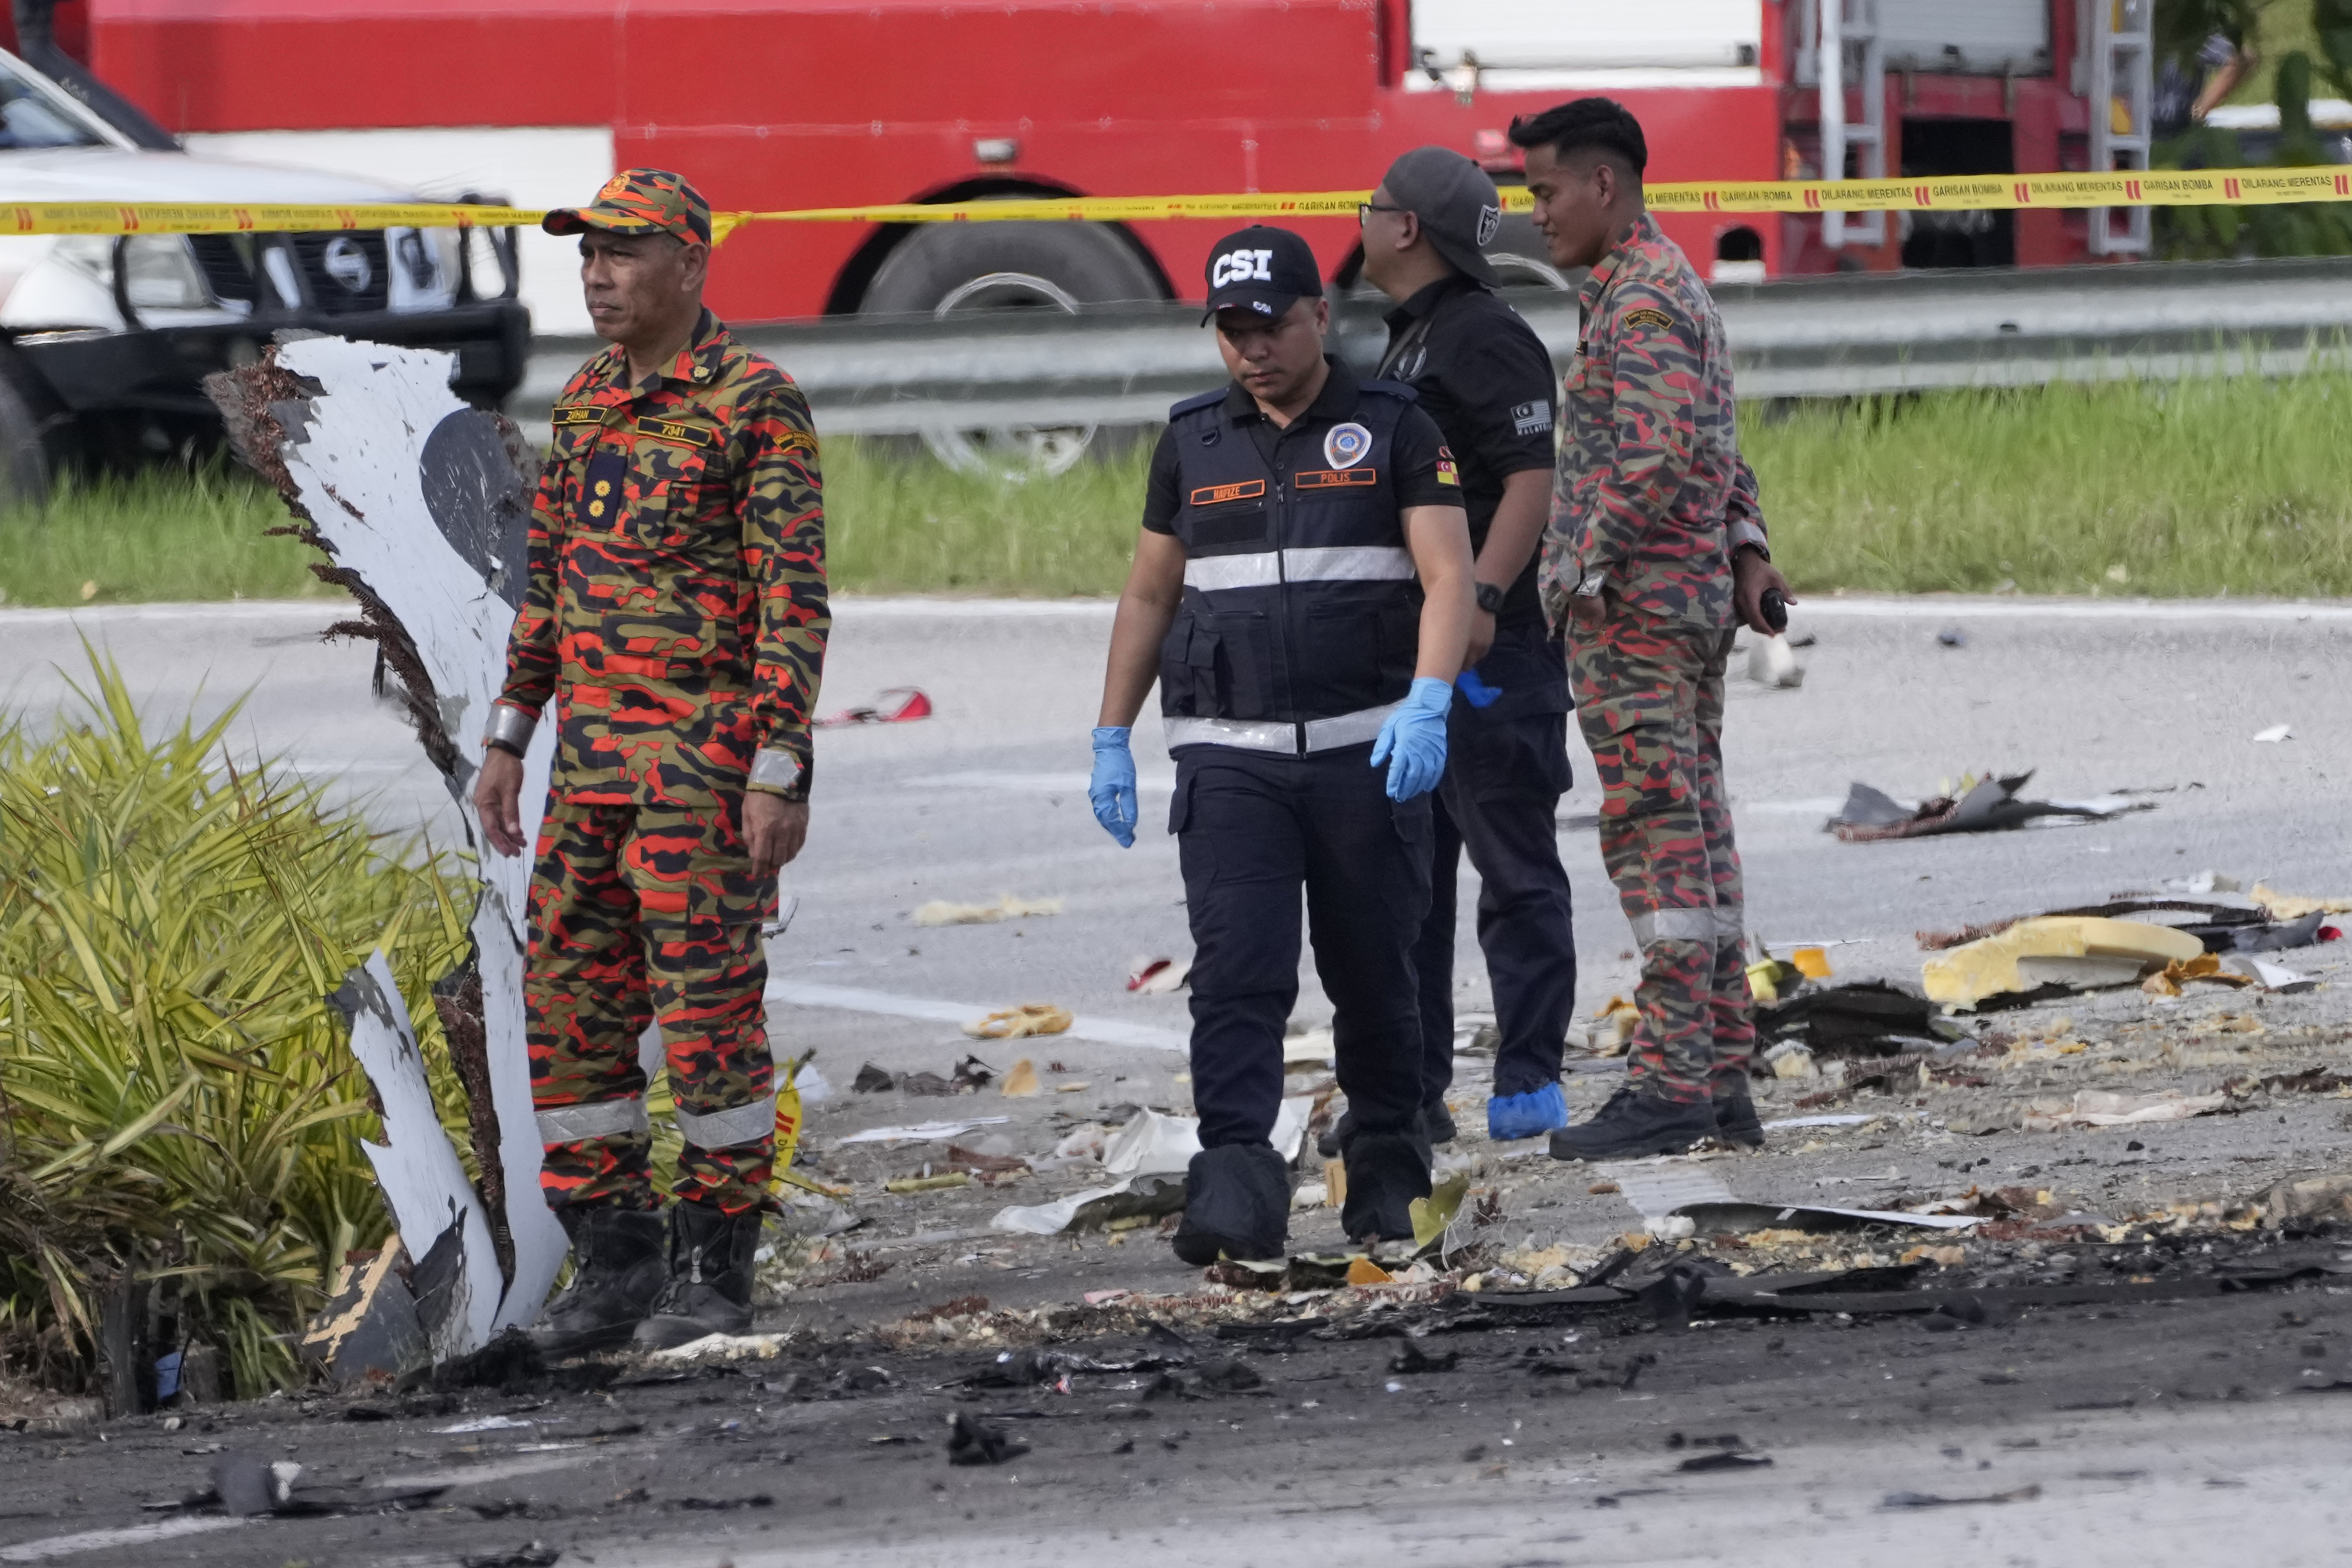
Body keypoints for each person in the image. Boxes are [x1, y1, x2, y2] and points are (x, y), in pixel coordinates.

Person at [472, 169, 829, 1353]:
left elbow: (793, 596)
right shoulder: (581, 403)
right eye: (589, 254)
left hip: (703, 768)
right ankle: (617, 1263)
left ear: (692, 265)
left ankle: (717, 1267)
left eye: (625, 252)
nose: (599, 273)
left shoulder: (753, 404)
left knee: (710, 1021)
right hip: (589, 775)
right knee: (570, 1015)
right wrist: (510, 737)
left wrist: (782, 763)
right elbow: (549, 585)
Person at [1087, 225, 1476, 1262]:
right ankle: (1234, 1186)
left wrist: (1428, 699)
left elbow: (1448, 578)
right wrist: (1109, 734)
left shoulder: (1395, 427)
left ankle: (1388, 1171)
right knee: (1238, 975)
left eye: (1270, 325)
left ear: (1319, 317)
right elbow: (1150, 591)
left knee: (1376, 976)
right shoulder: (1191, 441)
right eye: (1232, 330)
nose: (1252, 348)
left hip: (1366, 754)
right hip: (1231, 760)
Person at [1508, 99, 1794, 1160]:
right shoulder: (1661, 290)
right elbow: (1718, 449)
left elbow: (1662, 450)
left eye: (1543, 192)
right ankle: (1719, 1075)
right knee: (1698, 833)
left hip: (1633, 612)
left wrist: (1579, 566)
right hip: (1679, 602)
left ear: (1603, 186)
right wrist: (1748, 548)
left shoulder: (1640, 300)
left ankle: (1674, 1081)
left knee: (1654, 839)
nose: (1535, 213)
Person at [1356, 145, 1579, 1147]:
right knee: (1412, 888)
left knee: (1513, 869)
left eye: (1372, 206)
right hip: (1424, 654)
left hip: (1494, 653)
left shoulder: (1482, 335)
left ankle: (1528, 1077)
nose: (1359, 219)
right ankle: (1413, 1092)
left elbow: (1530, 477)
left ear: (1406, 228)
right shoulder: (1413, 337)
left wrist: (1485, 594)